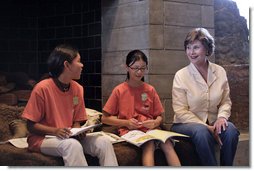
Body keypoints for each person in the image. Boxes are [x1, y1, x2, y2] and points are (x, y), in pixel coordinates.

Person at [22, 44, 118, 166]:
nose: (82, 65)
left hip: (68, 137)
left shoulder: (78, 89)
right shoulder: (42, 88)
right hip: (43, 139)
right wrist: (55, 131)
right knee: (72, 145)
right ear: (67, 65)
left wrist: (77, 130)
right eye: (79, 61)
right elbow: (30, 126)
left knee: (103, 141)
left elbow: (77, 121)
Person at [170, 28, 239, 166]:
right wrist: (206, 127)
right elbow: (180, 111)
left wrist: (221, 117)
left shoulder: (219, 71)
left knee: (230, 130)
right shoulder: (181, 75)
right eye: (188, 48)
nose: (191, 52)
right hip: (185, 124)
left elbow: (225, 101)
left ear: (207, 49)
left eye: (196, 47)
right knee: (202, 131)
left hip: (213, 121)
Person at [101, 50, 181, 166]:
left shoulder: (150, 90)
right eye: (136, 68)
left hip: (151, 129)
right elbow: (104, 118)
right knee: (149, 144)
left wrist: (155, 122)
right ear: (127, 67)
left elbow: (159, 116)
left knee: (167, 143)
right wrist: (126, 122)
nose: (139, 72)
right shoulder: (119, 90)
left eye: (143, 68)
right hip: (130, 131)